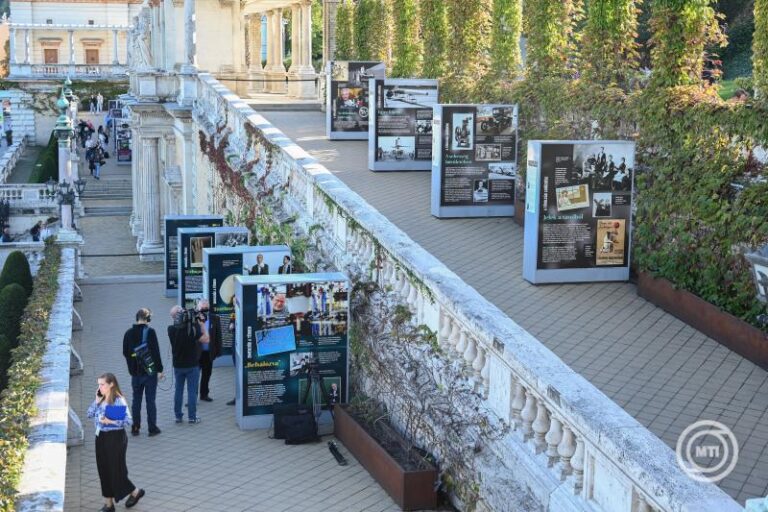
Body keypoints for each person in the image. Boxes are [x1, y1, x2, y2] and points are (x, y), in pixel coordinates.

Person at [86, 373, 145, 512]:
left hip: (116, 438)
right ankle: (109, 504)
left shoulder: (118, 400)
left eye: (102, 384)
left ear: (111, 384)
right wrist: (96, 400)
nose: (99, 387)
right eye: (98, 384)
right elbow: (89, 414)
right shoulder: (100, 398)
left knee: (116, 470)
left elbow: (129, 421)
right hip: (100, 437)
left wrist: (110, 421)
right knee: (103, 469)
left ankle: (135, 492)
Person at [122, 308, 164, 437]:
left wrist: (133, 361)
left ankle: (135, 428)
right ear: (148, 319)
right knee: (150, 401)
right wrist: (160, 370)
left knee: (136, 400)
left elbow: (125, 353)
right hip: (150, 372)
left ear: (137, 317)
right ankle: (152, 428)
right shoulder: (151, 332)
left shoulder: (128, 333)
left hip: (135, 373)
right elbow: (156, 352)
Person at [168, 305, 207, 423]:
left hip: (178, 365)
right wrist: (201, 325)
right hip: (192, 365)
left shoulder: (171, 329)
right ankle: (192, 417)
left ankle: (178, 416)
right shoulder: (193, 328)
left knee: (178, 390)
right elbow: (206, 339)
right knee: (191, 391)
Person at [196, 299, 221, 402]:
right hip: (196, 353)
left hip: (208, 353)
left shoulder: (215, 318)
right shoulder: (194, 318)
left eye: (206, 308)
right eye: (202, 308)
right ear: (198, 308)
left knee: (207, 374)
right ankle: (193, 396)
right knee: (194, 376)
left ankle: (204, 394)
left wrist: (218, 351)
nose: (205, 310)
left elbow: (218, 336)